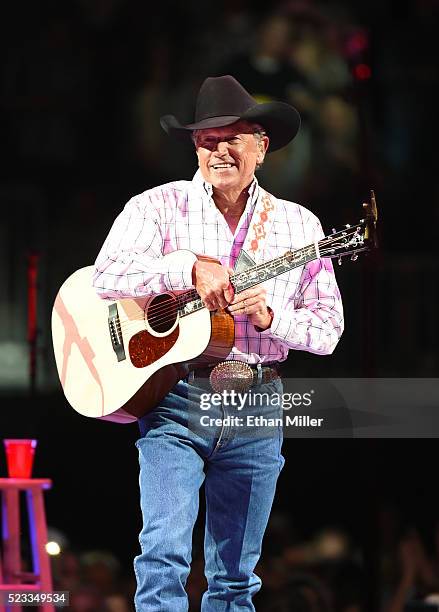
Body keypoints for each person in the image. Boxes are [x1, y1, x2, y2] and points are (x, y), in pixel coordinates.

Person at [92, 75, 344, 611]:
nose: (220, 149)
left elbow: (328, 330)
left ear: (261, 146)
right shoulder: (157, 208)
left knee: (235, 576)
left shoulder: (298, 225)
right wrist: (184, 267)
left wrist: (272, 316)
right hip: (177, 397)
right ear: (194, 146)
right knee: (162, 557)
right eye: (208, 138)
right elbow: (104, 278)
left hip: (257, 401)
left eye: (234, 137)